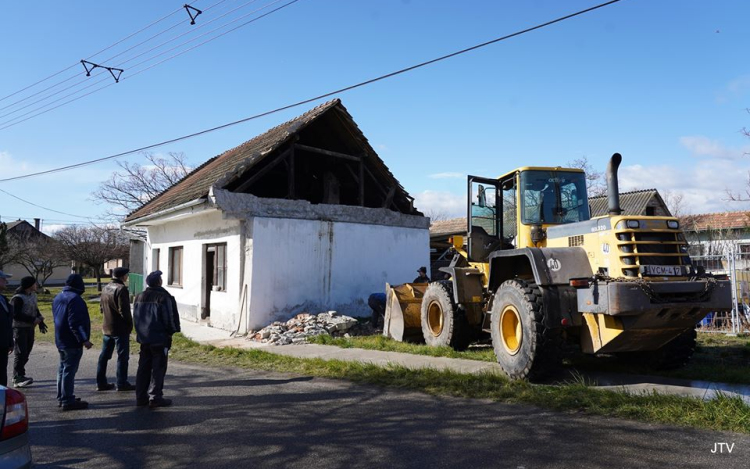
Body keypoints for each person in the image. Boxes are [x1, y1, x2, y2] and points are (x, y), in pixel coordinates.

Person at [133, 270, 180, 408]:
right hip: (159, 338)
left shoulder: (139, 296)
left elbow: (136, 317)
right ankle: (155, 397)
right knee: (158, 368)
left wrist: (140, 333)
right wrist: (171, 332)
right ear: (159, 282)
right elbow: (169, 318)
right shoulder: (163, 297)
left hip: (144, 337)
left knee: (143, 368)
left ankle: (141, 397)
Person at [53, 274, 93, 411]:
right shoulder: (75, 299)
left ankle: (62, 396)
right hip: (72, 340)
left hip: (61, 338)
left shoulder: (58, 297)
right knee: (69, 370)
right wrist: (84, 339)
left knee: (62, 369)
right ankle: (67, 399)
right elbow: (75, 323)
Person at [96, 267, 135, 392]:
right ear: (123, 276)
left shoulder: (106, 287)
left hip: (107, 326)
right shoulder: (121, 289)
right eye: (126, 275)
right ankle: (121, 382)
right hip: (120, 328)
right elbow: (124, 310)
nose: (127, 277)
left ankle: (101, 382)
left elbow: (101, 307)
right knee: (122, 357)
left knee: (104, 356)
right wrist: (130, 324)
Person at [10, 276, 47, 388]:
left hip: (30, 328)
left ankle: (20, 373)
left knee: (26, 353)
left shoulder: (32, 296)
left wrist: (40, 321)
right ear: (30, 285)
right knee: (20, 353)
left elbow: (35, 309)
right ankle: (17, 377)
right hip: (19, 329)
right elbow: (15, 315)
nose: (37, 285)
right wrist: (32, 319)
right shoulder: (18, 298)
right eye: (35, 283)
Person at [0, 271, 15, 387]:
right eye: (4, 279)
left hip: (3, 344)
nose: (7, 282)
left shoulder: (3, 299)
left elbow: (7, 323)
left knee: (2, 374)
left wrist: (10, 342)